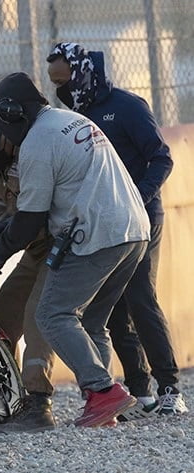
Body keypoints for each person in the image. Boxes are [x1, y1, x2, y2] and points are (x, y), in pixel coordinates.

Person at [0, 72, 149, 427]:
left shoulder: (37, 143)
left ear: (12, 115)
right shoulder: (71, 119)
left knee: (52, 314)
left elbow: (29, 222)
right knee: (91, 322)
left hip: (98, 234)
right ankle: (104, 408)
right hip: (134, 230)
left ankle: (103, 391)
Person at [47, 42, 187, 418]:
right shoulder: (76, 113)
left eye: (65, 80)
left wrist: (136, 198)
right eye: (57, 85)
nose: (62, 90)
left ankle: (171, 387)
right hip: (103, 222)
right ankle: (139, 392)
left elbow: (161, 157)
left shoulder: (126, 107)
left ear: (82, 72)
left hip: (142, 215)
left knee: (140, 297)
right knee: (112, 306)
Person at [0, 103, 59, 432]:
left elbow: (32, 219)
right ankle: (14, 401)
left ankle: (39, 402)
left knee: (38, 316)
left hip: (59, 246)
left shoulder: (29, 156)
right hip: (33, 249)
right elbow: (8, 212)